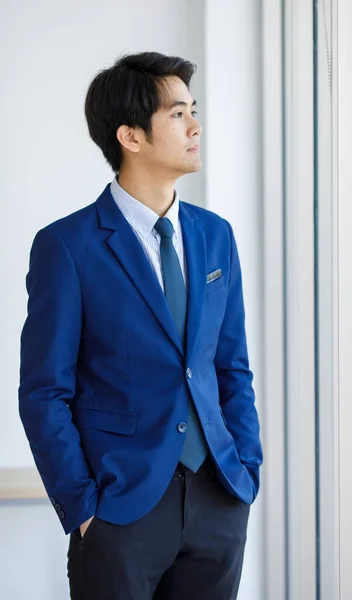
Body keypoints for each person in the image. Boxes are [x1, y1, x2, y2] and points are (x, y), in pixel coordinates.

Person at [18, 51, 263, 600]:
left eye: (192, 110)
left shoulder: (214, 235)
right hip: (120, 510)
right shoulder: (67, 246)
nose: (195, 126)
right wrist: (83, 508)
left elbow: (231, 366)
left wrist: (245, 469)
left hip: (218, 499)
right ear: (130, 136)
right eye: (178, 115)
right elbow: (43, 390)